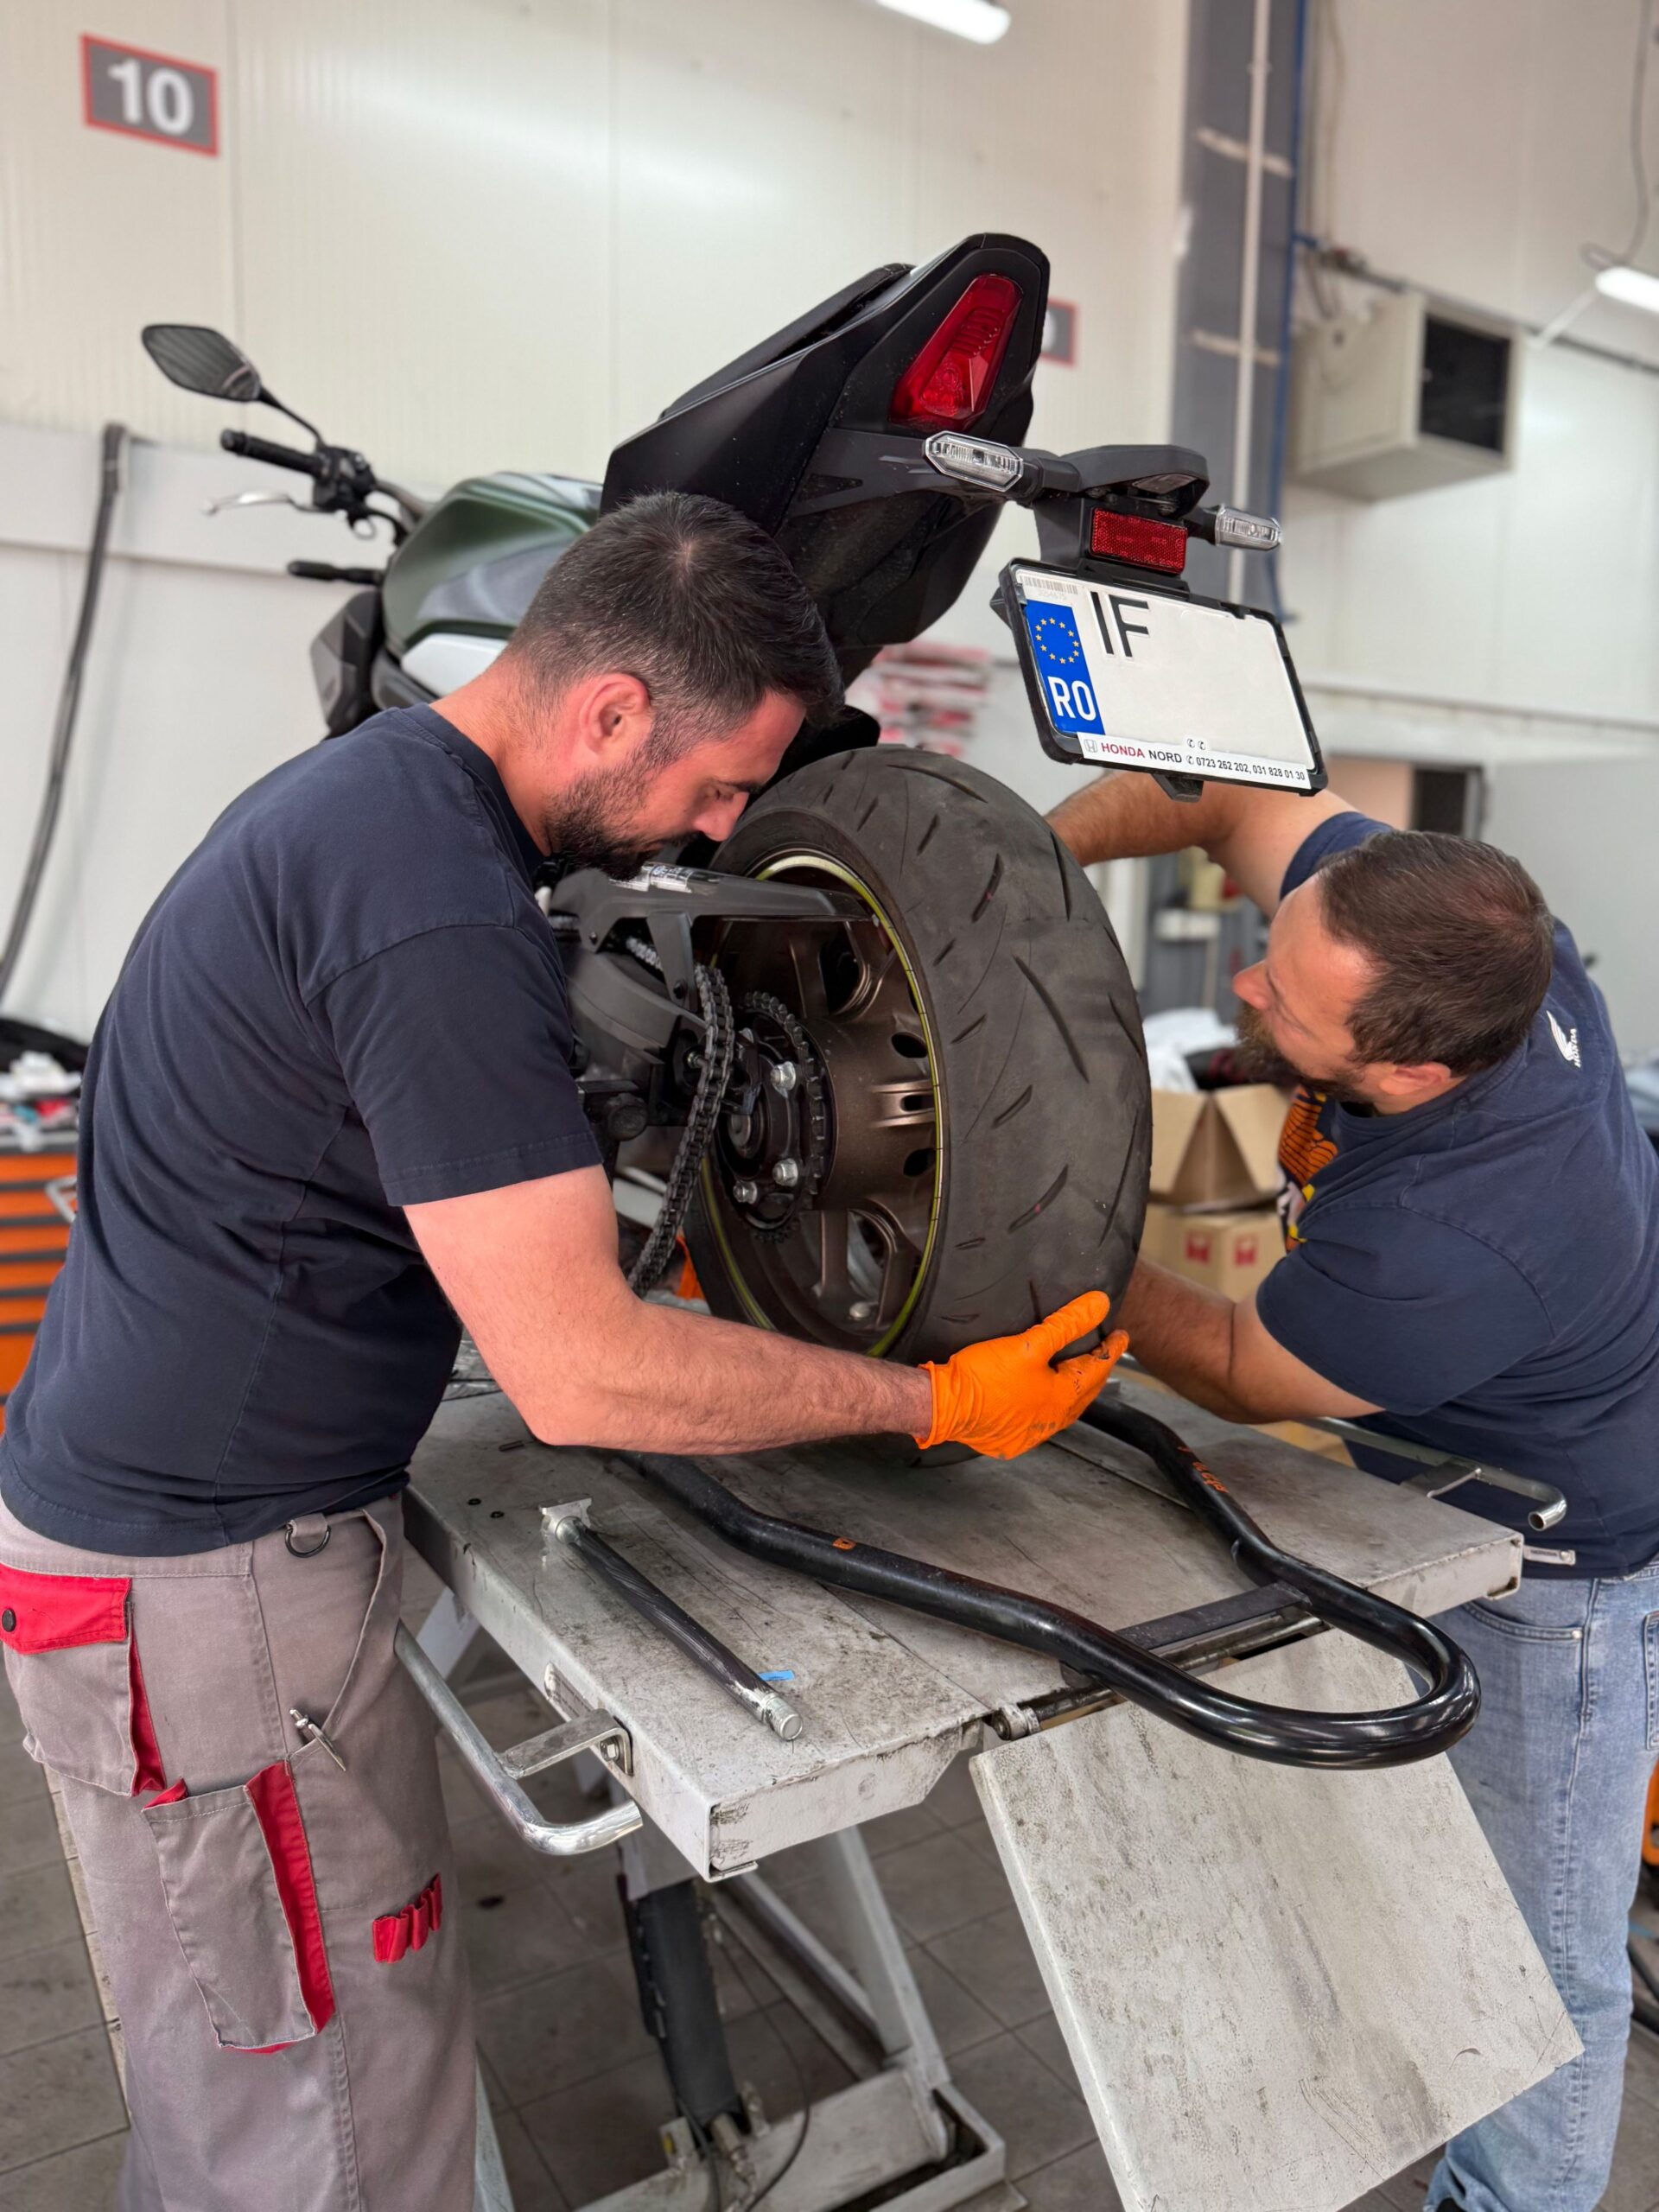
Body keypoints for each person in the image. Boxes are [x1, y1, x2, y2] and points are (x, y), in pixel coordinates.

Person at [0, 492, 1123, 2212]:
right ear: (609, 710)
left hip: (178, 1556)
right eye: (723, 786)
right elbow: (580, 1372)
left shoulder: (376, 803)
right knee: (326, 2123)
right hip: (206, 1599)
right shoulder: (435, 908)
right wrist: (929, 1396)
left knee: (242, 2076)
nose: (729, 826)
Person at [1048, 766, 1659, 2212]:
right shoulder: (1486, 941)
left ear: (1414, 1071)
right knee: (1458, 1906)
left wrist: (1054, 1232)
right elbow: (1224, 798)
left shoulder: (1450, 1243)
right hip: (1522, 1439)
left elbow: (1235, 1364)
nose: (1248, 985)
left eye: (1289, 1001)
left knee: (1540, 1961)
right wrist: (1023, 862)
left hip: (1555, 1578)